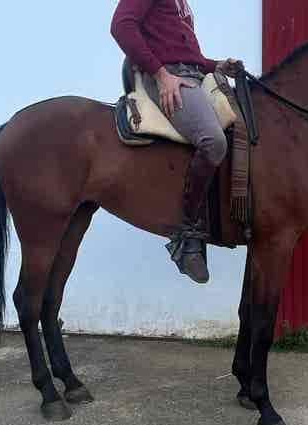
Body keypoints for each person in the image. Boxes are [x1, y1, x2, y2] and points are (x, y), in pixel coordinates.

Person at [111, 0, 242, 284]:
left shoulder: (182, 4)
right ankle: (186, 233)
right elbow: (121, 26)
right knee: (213, 142)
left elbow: (187, 56)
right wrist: (161, 75)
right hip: (168, 79)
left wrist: (217, 65)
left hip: (194, 77)